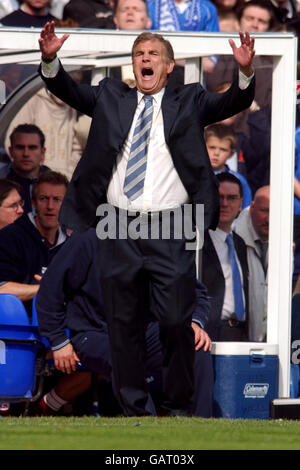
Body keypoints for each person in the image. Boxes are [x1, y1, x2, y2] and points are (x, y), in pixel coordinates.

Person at [38, 22, 255, 417]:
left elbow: (231, 104)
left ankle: (176, 407)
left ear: (169, 65)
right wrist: (51, 59)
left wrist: (243, 72)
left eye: (154, 54)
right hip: (117, 223)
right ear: (133, 64)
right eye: (140, 55)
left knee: (175, 319)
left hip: (169, 225)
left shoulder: (189, 100)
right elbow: (66, 89)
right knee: (124, 325)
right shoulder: (110, 96)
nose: (146, 60)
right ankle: (135, 411)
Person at [35, 227, 214, 417]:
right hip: (93, 333)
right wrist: (58, 341)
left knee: (194, 348)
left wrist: (193, 322)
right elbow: (48, 291)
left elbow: (194, 292)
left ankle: (197, 427)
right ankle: (147, 429)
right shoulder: (88, 238)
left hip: (144, 331)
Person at [0, 170, 69, 313]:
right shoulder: (9, 237)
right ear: (34, 203)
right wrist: (44, 288)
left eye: (57, 200)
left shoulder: (73, 245)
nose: (50, 206)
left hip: (62, 328)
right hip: (15, 329)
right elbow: (2, 288)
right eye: (44, 198)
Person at [202, 172, 249, 341]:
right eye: (219, 197)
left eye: (231, 198)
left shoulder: (240, 244)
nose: (224, 204)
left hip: (241, 332)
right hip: (209, 332)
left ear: (240, 204)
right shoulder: (197, 242)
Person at [4, 88, 82, 180]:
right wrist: (31, 173)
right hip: (33, 178)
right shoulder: (33, 100)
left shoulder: (72, 106)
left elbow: (76, 148)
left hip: (62, 180)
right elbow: (15, 139)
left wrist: (68, 175)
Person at [233, 185, 269, 341]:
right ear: (252, 207)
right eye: (264, 211)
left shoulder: (285, 242)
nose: (269, 219)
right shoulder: (233, 240)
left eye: (274, 212)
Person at [0, 124, 50, 213]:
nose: (26, 154)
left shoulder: (55, 184)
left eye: (32, 148)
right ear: (11, 151)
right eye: (20, 147)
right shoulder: (1, 180)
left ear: (43, 152)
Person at [204, 123, 252, 208]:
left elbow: (245, 211)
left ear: (231, 154)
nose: (216, 153)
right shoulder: (192, 175)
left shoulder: (239, 180)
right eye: (212, 147)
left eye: (223, 149)